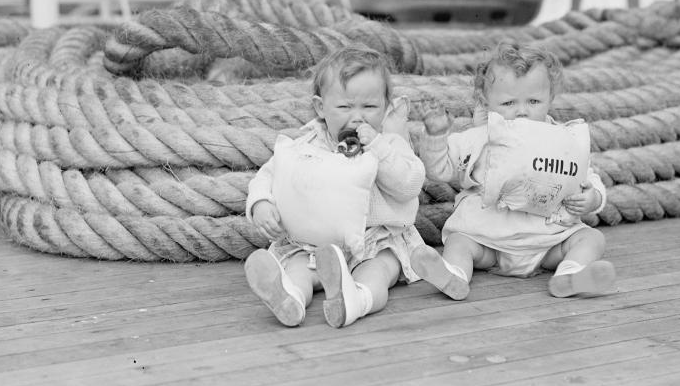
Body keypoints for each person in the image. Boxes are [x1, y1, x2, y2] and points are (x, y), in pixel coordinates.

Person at [244, 45, 463, 328]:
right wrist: (261, 203)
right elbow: (269, 175)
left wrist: (377, 147)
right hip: (315, 244)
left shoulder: (390, 145)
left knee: (379, 271)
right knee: (299, 267)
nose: (357, 117)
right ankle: (290, 297)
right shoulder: (306, 145)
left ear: (385, 107)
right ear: (321, 108)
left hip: (375, 241)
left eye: (369, 107)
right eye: (345, 107)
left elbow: (409, 185)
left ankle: (356, 300)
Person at [412, 41, 616, 300]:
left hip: (548, 242)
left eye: (534, 101)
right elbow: (440, 169)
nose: (522, 111)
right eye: (508, 103)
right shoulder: (478, 138)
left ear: (550, 98)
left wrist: (592, 198)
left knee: (592, 237)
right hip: (489, 242)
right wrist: (436, 137)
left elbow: (587, 177)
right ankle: (454, 275)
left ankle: (569, 274)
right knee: (459, 242)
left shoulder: (561, 140)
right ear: (486, 100)